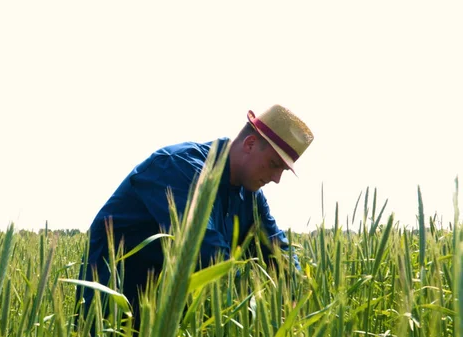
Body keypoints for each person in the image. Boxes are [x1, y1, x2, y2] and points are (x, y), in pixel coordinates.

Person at [75, 104, 314, 328]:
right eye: (274, 164)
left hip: (169, 319)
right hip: (111, 314)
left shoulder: (251, 198)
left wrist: (298, 301)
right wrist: (259, 304)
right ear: (250, 144)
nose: (276, 179)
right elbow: (205, 248)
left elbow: (278, 250)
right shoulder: (178, 167)